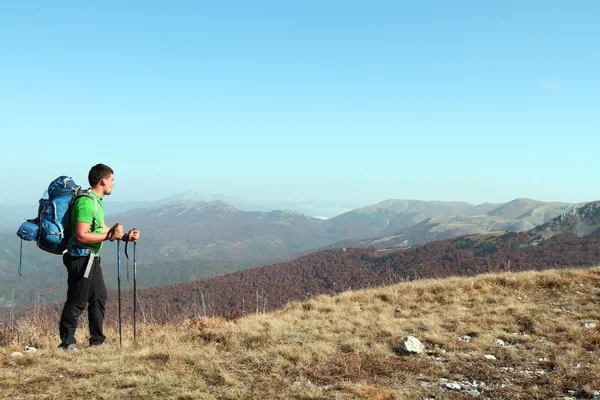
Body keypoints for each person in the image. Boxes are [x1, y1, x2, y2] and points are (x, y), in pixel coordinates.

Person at [58, 163, 140, 352]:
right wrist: (110, 236)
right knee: (77, 300)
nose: (113, 184)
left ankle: (97, 340)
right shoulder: (86, 202)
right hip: (81, 258)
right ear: (103, 181)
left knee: (99, 297)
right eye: (112, 180)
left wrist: (125, 236)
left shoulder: (96, 201)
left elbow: (101, 227)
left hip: (92, 257)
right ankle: (67, 342)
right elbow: (81, 235)